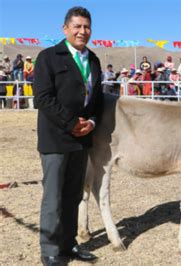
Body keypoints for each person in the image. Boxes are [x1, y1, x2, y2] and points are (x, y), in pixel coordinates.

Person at [33, 7, 102, 265]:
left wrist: (92, 122)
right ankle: (50, 249)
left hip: (82, 139)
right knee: (53, 197)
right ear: (65, 29)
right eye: (77, 26)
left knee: (73, 195)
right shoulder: (48, 57)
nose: (82, 31)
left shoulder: (93, 60)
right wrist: (71, 122)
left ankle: (68, 243)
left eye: (86, 27)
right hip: (55, 138)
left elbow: (95, 101)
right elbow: (43, 98)